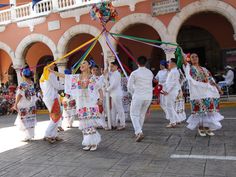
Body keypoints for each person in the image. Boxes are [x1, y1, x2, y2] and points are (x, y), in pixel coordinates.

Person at [65, 60, 105, 151]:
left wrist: (101, 99)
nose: (81, 65)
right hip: (81, 102)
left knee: (90, 122)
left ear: (88, 66)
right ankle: (87, 142)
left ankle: (94, 142)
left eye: (84, 63)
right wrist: (52, 72)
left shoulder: (92, 77)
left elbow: (99, 89)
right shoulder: (77, 77)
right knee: (83, 123)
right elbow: (66, 77)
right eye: (81, 64)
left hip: (90, 102)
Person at [183, 53, 224, 136]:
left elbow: (211, 79)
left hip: (206, 92)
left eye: (196, 56)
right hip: (197, 92)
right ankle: (200, 127)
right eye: (192, 57)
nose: (194, 58)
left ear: (198, 58)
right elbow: (184, 62)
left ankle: (207, 127)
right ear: (189, 59)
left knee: (208, 110)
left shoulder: (204, 69)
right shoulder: (189, 68)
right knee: (200, 111)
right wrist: (180, 52)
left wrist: (218, 88)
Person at [128, 56, 153, 142]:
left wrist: (133, 94)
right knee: (141, 115)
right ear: (146, 63)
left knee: (134, 115)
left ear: (137, 63)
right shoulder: (150, 73)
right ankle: (139, 131)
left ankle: (139, 132)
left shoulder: (134, 73)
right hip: (148, 97)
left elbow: (129, 87)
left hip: (138, 96)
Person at [40, 62, 64, 144]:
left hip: (48, 97)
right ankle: (48, 134)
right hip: (52, 98)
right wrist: (66, 86)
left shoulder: (43, 75)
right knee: (56, 116)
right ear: (49, 65)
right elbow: (57, 86)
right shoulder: (50, 74)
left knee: (54, 116)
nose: (54, 65)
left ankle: (54, 134)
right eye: (53, 64)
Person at [13, 67, 37, 142]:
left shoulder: (22, 84)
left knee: (24, 120)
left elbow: (19, 95)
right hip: (31, 104)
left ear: (23, 75)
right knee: (31, 119)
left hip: (24, 104)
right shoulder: (32, 83)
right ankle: (31, 134)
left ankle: (27, 136)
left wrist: (15, 104)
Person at [163, 58, 186, 128]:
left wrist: (167, 91)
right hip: (173, 90)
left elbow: (172, 83)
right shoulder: (174, 71)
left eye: (169, 62)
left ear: (173, 63)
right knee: (170, 106)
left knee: (169, 106)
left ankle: (173, 122)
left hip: (172, 91)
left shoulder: (174, 72)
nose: (168, 64)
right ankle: (175, 120)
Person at [106, 61, 126, 130]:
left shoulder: (117, 74)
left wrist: (107, 89)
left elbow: (114, 85)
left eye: (112, 66)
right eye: (110, 66)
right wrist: (106, 65)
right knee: (113, 109)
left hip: (117, 94)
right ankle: (114, 124)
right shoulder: (113, 73)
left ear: (116, 66)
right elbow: (106, 73)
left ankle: (122, 124)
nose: (111, 68)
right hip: (113, 94)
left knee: (119, 109)